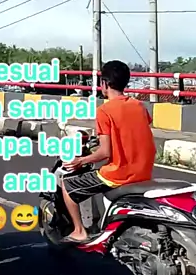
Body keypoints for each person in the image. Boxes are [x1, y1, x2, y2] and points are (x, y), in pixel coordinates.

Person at [60, 59, 156, 243]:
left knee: (68, 185)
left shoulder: (104, 110)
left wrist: (81, 161)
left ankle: (79, 231)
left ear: (104, 83)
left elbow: (105, 152)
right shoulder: (139, 106)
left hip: (119, 174)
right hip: (144, 172)